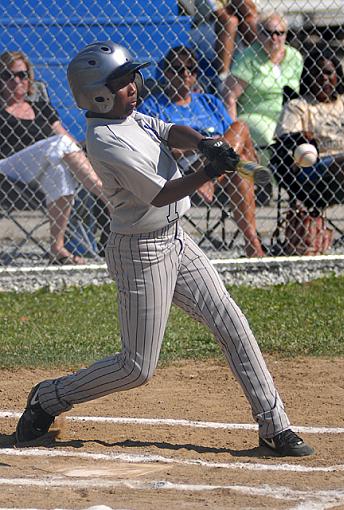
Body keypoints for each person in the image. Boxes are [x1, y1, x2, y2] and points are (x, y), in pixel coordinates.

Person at [15, 40, 314, 458]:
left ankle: (274, 425)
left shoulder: (130, 117)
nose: (132, 86)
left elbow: (166, 130)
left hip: (176, 239)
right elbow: (162, 194)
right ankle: (49, 397)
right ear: (97, 93)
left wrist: (204, 142)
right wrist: (207, 169)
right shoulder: (105, 140)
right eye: (120, 82)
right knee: (136, 368)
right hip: (141, 253)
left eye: (130, 78)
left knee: (231, 322)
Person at [139, 45, 264, 257]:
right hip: (183, 167)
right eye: (178, 69)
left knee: (240, 128)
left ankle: (252, 242)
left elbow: (234, 138)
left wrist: (217, 147)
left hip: (220, 168)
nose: (186, 75)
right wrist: (201, 147)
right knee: (240, 158)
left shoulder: (210, 101)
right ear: (166, 72)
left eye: (192, 69)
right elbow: (156, 148)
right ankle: (231, 168)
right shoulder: (153, 106)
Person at [0, 50, 107, 264]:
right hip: (7, 171)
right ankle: (108, 195)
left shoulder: (40, 107)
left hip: (37, 173)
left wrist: (83, 152)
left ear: (29, 78)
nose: (15, 80)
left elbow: (67, 138)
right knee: (58, 145)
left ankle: (57, 248)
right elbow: (61, 141)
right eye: (7, 75)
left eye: (21, 75)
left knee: (58, 170)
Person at [273, 46, 344, 210]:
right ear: (308, 77)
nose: (324, 78)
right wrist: (301, 136)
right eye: (317, 74)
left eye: (329, 73)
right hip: (319, 169)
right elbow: (284, 141)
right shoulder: (298, 106)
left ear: (337, 75)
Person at [222, 11, 303, 158]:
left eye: (280, 33)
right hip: (256, 116)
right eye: (268, 33)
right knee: (269, 136)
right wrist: (233, 130)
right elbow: (230, 97)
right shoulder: (248, 57)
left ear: (286, 34)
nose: (274, 38)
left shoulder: (295, 57)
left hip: (289, 115)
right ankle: (268, 179)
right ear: (259, 33)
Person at [190, 0, 258, 89]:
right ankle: (223, 79)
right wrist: (238, 6)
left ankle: (259, 68)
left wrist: (239, 6)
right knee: (230, 21)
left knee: (250, 22)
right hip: (206, 27)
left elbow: (250, 12)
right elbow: (218, 13)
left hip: (238, 26)